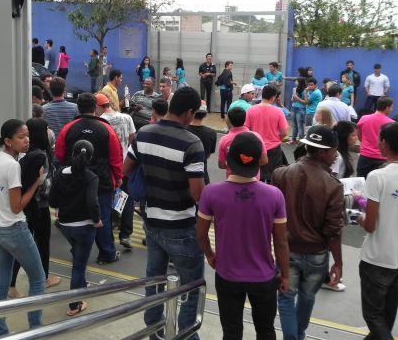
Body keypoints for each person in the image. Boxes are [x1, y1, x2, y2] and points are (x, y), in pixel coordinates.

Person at [123, 86, 206, 340]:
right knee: (191, 286)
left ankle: (155, 332)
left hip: (152, 222)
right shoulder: (192, 143)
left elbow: (126, 170)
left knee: (155, 281)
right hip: (181, 226)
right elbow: (197, 193)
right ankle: (186, 335)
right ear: (189, 112)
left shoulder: (144, 134)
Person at [197, 132, 290, 340]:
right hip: (264, 276)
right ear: (259, 163)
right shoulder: (274, 195)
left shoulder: (211, 193)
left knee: (231, 332)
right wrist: (285, 275)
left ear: (229, 160)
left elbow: (201, 234)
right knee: (266, 330)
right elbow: (281, 242)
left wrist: (210, 255)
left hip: (227, 275)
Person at [272, 125, 344, 340]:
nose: (336, 155)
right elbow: (333, 231)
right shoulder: (333, 185)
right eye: (334, 150)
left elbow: (271, 217)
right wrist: (338, 262)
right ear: (322, 152)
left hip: (287, 250)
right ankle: (298, 335)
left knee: (286, 297)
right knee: (308, 297)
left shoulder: (280, 174)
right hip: (317, 254)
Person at [356, 122, 398, 340]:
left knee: (373, 316)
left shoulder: (378, 176)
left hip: (378, 257)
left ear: (384, 143)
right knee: (387, 315)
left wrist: (357, 216)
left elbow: (370, 225)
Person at [0, 119, 46, 337]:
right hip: (14, 229)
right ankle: (35, 330)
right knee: (38, 279)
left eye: (27, 135)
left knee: (1, 285)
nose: (27, 140)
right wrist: (37, 183)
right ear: (8, 141)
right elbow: (16, 206)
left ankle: (0, 333)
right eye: (21, 137)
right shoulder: (12, 166)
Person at [55, 93, 123, 265]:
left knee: (74, 215)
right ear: (95, 108)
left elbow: (60, 154)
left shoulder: (68, 128)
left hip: (73, 180)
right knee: (102, 218)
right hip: (101, 182)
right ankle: (107, 253)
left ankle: (78, 249)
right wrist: (118, 178)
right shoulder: (107, 129)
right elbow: (116, 158)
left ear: (78, 108)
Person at [9, 118, 60, 298]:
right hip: (38, 206)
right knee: (42, 242)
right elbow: (42, 185)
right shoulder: (41, 155)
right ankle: (44, 278)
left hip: (26, 206)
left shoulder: (24, 153)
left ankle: (11, 284)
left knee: (23, 245)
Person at [49, 139, 102, 316]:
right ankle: (74, 305)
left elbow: (52, 200)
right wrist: (97, 220)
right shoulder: (91, 177)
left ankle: (81, 284)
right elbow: (92, 202)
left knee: (77, 254)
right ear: (91, 158)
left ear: (72, 154)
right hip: (84, 228)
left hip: (65, 225)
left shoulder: (60, 173)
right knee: (78, 266)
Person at [96, 93, 136, 249]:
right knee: (127, 198)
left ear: (98, 106)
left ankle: (110, 235)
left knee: (107, 200)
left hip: (108, 167)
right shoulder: (127, 117)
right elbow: (133, 140)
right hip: (126, 165)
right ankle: (126, 234)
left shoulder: (100, 121)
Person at [244, 84, 288, 183]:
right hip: (273, 149)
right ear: (273, 97)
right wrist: (278, 138)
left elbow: (246, 129)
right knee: (273, 178)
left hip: (256, 148)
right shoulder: (278, 111)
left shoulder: (251, 109)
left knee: (257, 177)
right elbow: (284, 132)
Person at [218, 107, 268, 181]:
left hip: (233, 179)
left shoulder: (224, 140)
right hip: (253, 179)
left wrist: (233, 166)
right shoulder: (256, 136)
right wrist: (250, 165)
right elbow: (264, 160)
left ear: (229, 120)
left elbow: (221, 165)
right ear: (245, 119)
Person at [356, 96, 394, 178]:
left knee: (361, 182)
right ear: (387, 107)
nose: (392, 110)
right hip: (382, 159)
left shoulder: (364, 118)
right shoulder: (391, 123)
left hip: (364, 157)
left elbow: (359, 135)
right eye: (391, 107)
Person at [187, 103, 217, 184]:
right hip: (203, 174)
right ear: (205, 115)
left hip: (185, 175)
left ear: (192, 112)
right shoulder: (212, 133)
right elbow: (208, 155)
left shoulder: (183, 130)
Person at [290, 73, 307, 144]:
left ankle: (301, 141)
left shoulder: (304, 90)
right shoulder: (294, 89)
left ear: (300, 82)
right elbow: (292, 99)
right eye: (295, 81)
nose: (295, 82)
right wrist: (293, 99)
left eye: (297, 81)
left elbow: (305, 102)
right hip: (293, 107)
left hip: (301, 109)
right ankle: (293, 139)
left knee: (300, 125)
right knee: (294, 125)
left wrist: (297, 98)